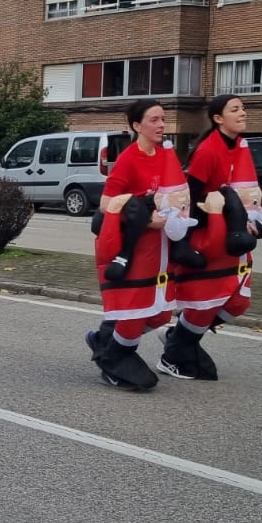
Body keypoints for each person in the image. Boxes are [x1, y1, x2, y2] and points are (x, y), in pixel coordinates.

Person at [86, 99, 197, 390]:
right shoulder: (128, 158)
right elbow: (106, 203)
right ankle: (113, 359)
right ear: (137, 126)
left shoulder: (165, 156)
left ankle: (107, 340)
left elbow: (178, 194)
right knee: (136, 312)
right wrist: (147, 217)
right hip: (136, 248)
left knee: (160, 313)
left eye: (163, 119)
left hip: (162, 248)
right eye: (154, 120)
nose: (161, 125)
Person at [164, 95, 262, 379]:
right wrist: (189, 239)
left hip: (236, 236)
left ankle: (180, 335)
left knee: (238, 302)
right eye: (235, 109)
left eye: (244, 108)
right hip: (211, 235)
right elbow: (190, 196)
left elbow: (246, 191)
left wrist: (250, 218)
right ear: (218, 118)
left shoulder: (241, 146)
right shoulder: (209, 151)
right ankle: (174, 354)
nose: (243, 113)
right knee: (205, 303)